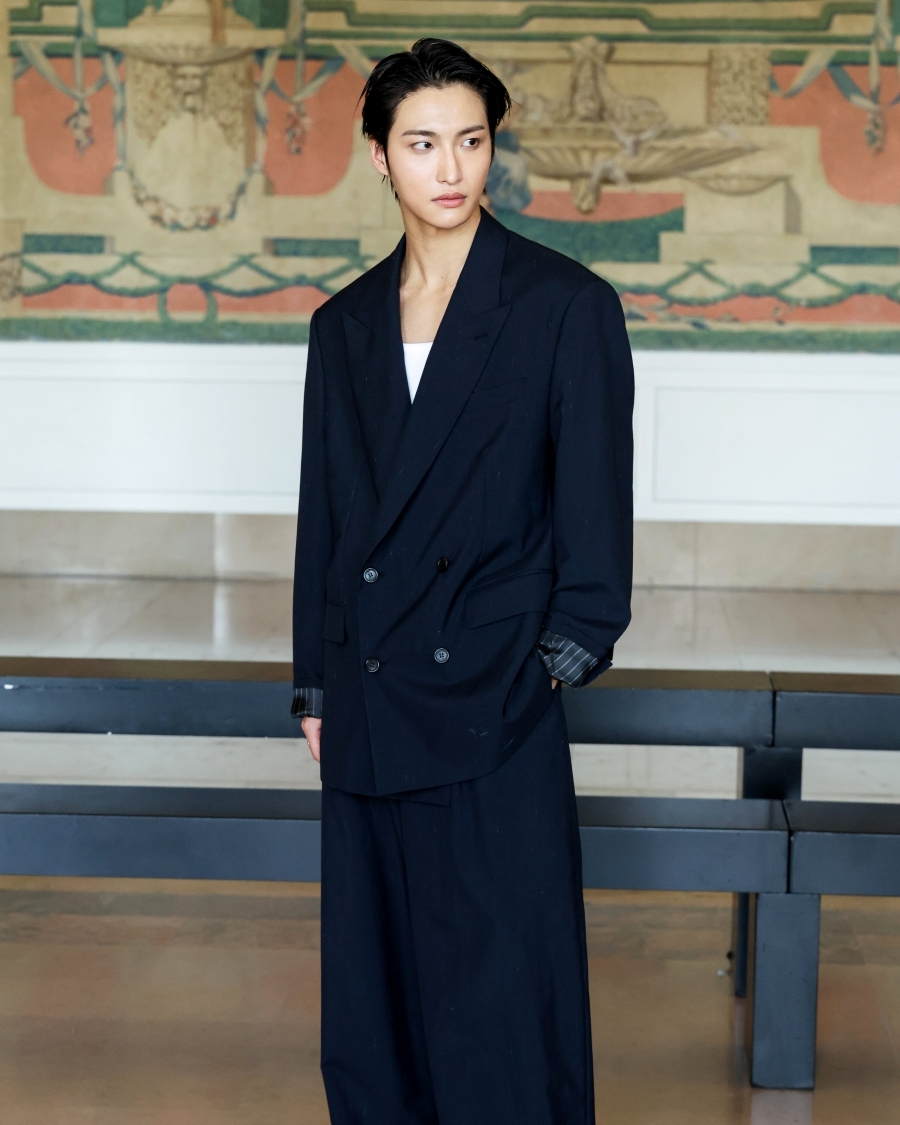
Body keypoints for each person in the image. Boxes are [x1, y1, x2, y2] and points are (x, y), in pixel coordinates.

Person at [292, 37, 634, 1125]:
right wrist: (314, 683)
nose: (451, 169)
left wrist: (558, 656)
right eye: (423, 144)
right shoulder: (343, 324)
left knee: (501, 991)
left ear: (494, 149)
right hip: (369, 691)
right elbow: (328, 518)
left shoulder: (564, 304)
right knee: (376, 998)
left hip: (493, 693)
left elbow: (595, 505)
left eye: (471, 141)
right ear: (379, 156)